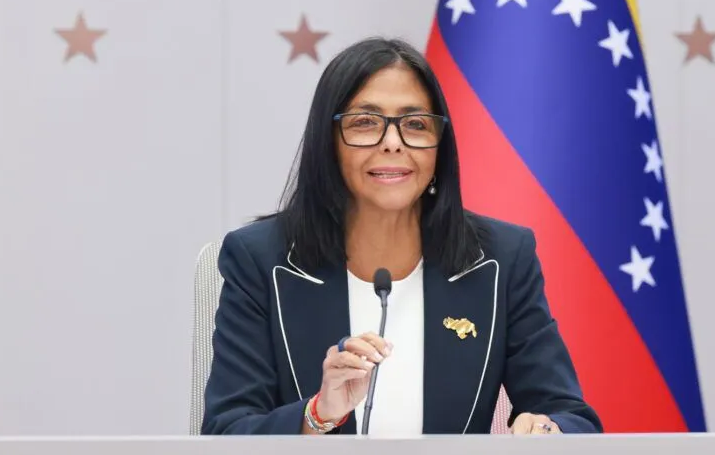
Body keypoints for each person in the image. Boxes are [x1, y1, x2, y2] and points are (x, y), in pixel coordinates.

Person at [201, 37, 602, 437]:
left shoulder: (501, 258)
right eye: (365, 122)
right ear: (328, 141)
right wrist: (317, 415)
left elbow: (570, 416)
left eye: (415, 124)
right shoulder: (261, 259)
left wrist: (546, 431)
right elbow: (226, 432)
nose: (393, 143)